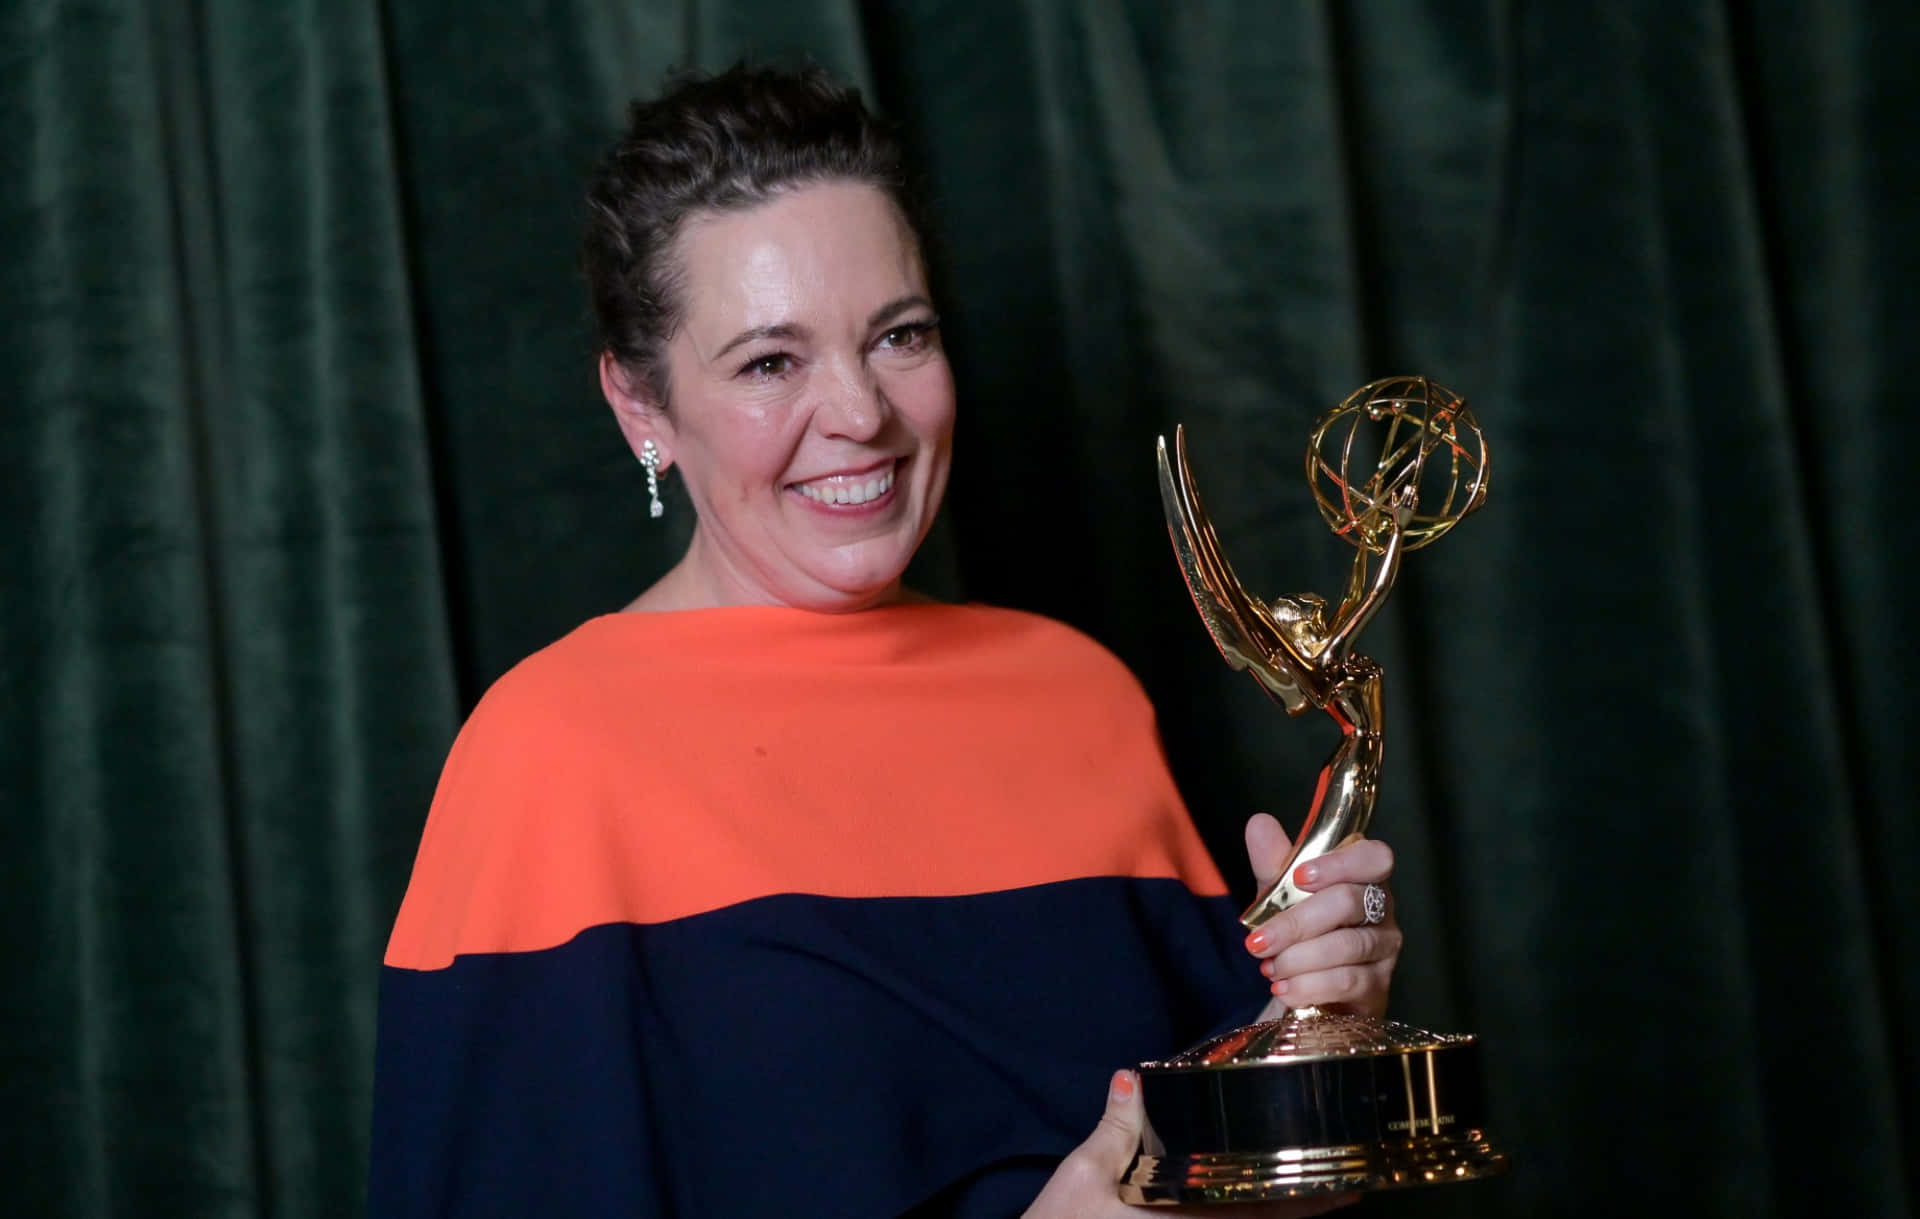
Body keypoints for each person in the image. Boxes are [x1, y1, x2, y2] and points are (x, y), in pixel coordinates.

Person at [367, 65, 1401, 1219]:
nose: (861, 413)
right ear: (641, 407)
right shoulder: (550, 752)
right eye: (770, 361)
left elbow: (1230, 1186)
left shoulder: (1078, 694)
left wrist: (1321, 1024)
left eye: (899, 335)